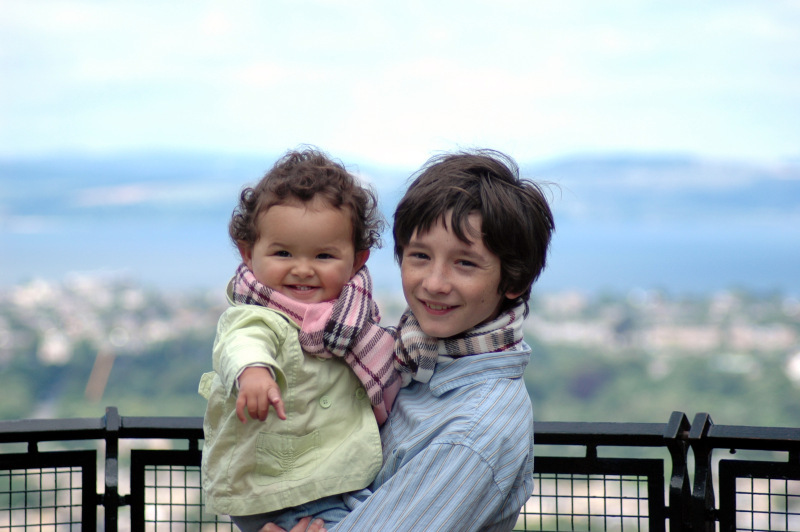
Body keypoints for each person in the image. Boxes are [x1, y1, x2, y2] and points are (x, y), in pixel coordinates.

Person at [262, 149, 555, 532]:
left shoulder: (474, 432)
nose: (433, 283)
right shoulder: (406, 358)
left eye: (464, 263)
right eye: (419, 256)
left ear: (514, 281)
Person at [198, 148, 402, 532]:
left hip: (336, 478)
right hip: (280, 490)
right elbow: (242, 341)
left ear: (357, 261)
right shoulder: (259, 313)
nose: (303, 269)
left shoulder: (353, 320)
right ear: (248, 254)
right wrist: (254, 372)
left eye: (324, 255)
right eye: (283, 253)